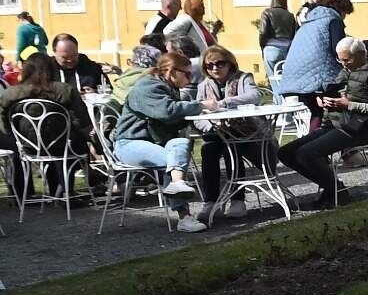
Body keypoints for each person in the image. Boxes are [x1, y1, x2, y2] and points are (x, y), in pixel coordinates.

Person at [110, 49, 218, 232]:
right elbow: (167, 111)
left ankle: (177, 185)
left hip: (157, 143)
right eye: (187, 74)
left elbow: (174, 118)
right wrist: (200, 105)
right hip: (129, 143)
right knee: (172, 160)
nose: (190, 79)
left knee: (181, 143)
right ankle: (184, 216)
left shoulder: (169, 88)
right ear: (172, 71)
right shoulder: (147, 86)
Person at [277, 37, 368, 211]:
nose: (343, 64)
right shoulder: (346, 71)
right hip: (335, 123)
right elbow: (338, 93)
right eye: (340, 60)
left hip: (358, 128)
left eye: (347, 60)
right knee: (285, 153)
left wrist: (349, 105)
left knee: (305, 154)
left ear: (362, 54)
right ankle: (333, 189)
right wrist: (325, 100)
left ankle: (337, 191)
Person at [193, 45, 273, 223]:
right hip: (216, 132)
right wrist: (209, 126)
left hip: (246, 131)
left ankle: (237, 200)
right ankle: (211, 202)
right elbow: (197, 114)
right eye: (209, 65)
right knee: (208, 150)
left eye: (220, 63)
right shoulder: (203, 86)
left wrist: (224, 103)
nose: (215, 68)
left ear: (230, 63)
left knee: (232, 148)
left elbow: (254, 96)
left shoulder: (243, 78)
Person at [0, 52, 92, 201]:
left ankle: (28, 196)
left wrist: (15, 135)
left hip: (28, 146)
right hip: (63, 146)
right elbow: (83, 120)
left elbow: (3, 123)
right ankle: (66, 191)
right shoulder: (65, 90)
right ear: (51, 69)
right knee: (75, 141)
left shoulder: (10, 93)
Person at [277, 0, 350, 111]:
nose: (345, 17)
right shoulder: (334, 20)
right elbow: (338, 49)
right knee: (333, 109)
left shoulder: (309, 21)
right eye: (345, 13)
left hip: (292, 77)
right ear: (341, 10)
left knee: (316, 112)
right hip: (318, 77)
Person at [257, 0, 299, 78]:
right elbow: (294, 34)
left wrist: (263, 47)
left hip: (271, 49)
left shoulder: (267, 13)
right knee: (287, 79)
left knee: (273, 79)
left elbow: (263, 33)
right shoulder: (290, 15)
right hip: (288, 49)